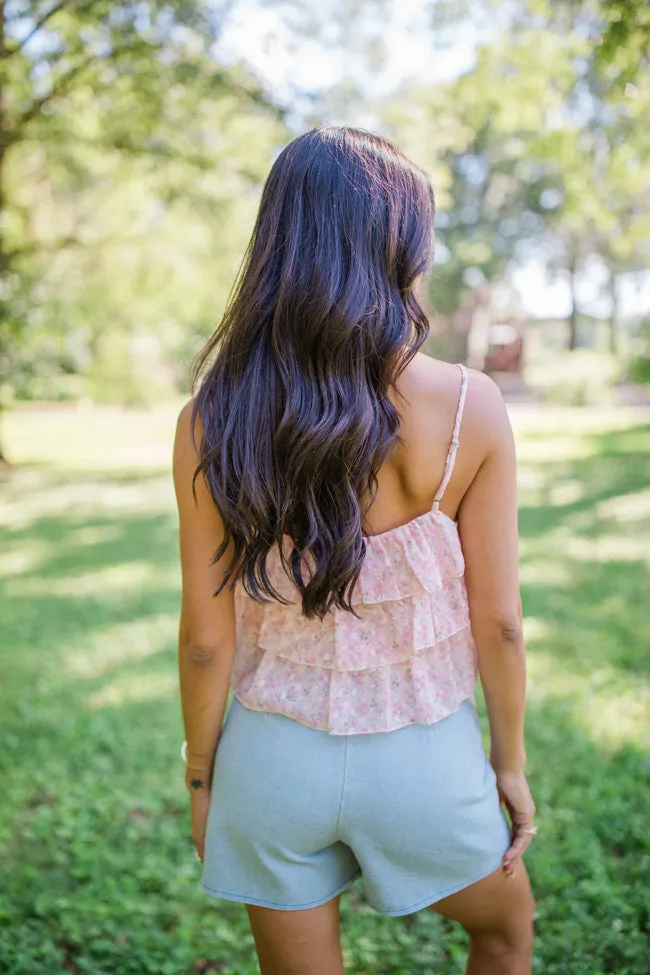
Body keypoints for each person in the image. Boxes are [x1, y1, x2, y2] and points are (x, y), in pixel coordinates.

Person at [172, 125, 537, 975]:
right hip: (427, 762)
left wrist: (202, 778)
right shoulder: (470, 407)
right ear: (397, 245)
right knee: (505, 932)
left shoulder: (210, 419)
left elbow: (204, 636)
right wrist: (508, 765)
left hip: (269, 765)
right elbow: (503, 624)